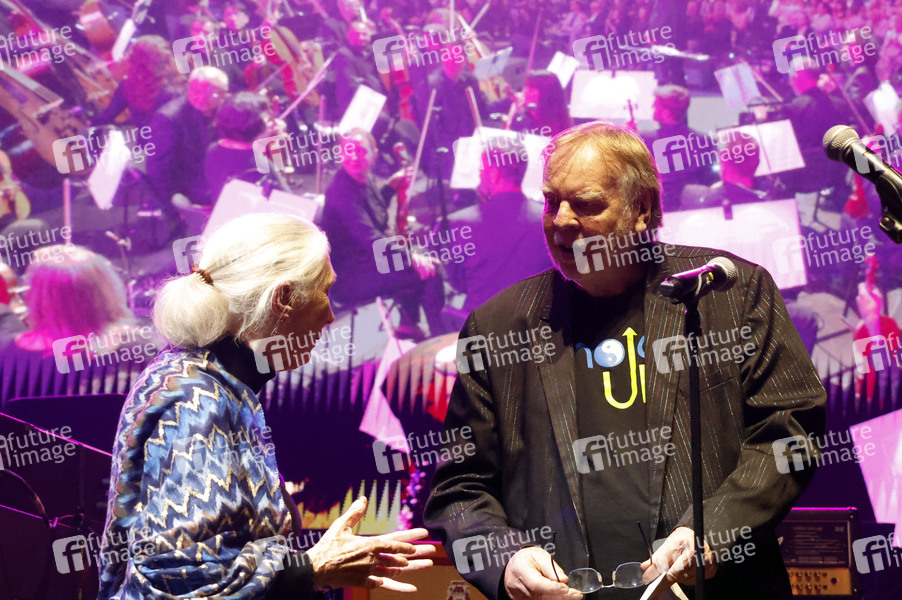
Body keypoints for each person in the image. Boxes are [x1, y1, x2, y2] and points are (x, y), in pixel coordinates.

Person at [425, 122, 826, 600]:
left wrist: (715, 532)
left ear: (642, 209)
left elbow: (790, 430)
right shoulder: (497, 327)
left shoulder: (729, 293)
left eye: (587, 204)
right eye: (552, 202)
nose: (561, 221)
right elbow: (459, 489)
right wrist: (505, 561)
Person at [98, 213, 434, 599]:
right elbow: (182, 577)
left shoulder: (218, 380)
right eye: (325, 292)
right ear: (283, 298)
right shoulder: (195, 399)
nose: (330, 316)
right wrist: (312, 569)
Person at [321, 129, 445, 340]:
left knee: (421, 255)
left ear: (374, 154)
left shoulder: (363, 179)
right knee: (429, 270)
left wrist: (389, 187)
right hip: (349, 276)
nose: (354, 156)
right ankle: (439, 339)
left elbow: (375, 214)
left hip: (366, 260)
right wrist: (411, 258)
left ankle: (408, 325)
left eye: (361, 151)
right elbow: (370, 239)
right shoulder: (341, 191)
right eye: (348, 150)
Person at [446, 136, 551, 314]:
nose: (479, 178)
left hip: (481, 324)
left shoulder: (461, 222)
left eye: (481, 172)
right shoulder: (548, 219)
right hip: (534, 323)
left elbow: (458, 283)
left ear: (494, 175)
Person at [147, 66, 229, 209]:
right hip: (190, 190)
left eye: (213, 94)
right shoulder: (168, 119)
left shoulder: (221, 109)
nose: (201, 98)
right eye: (196, 91)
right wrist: (177, 210)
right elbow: (158, 172)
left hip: (215, 177)